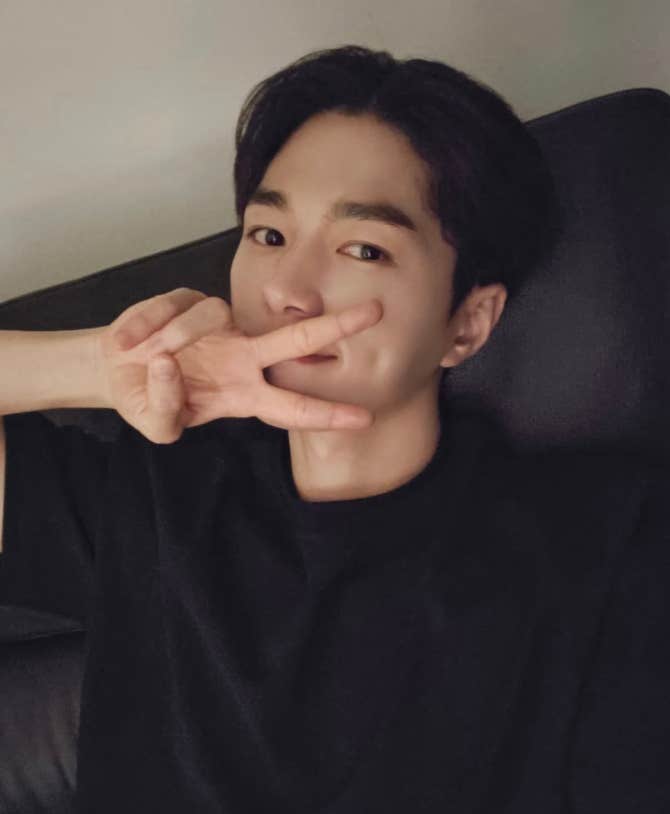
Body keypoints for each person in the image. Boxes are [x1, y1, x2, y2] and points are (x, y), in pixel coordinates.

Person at [0, 44, 668, 813]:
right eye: (268, 235)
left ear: (468, 322)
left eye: (363, 248)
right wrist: (106, 365)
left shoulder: (605, 547)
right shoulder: (160, 489)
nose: (289, 291)